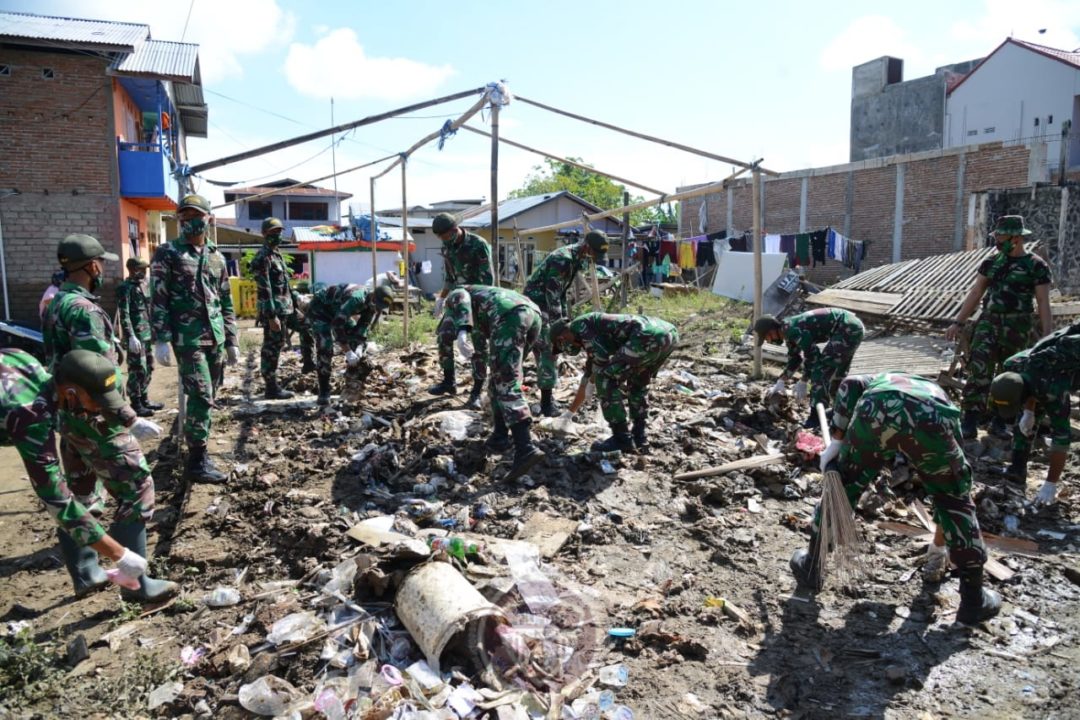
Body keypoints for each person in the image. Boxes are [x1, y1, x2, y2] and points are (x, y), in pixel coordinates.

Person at [794, 372, 1000, 625]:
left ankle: (812, 566)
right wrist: (939, 544)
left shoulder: (871, 382)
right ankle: (972, 601)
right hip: (931, 419)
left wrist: (837, 442)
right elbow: (952, 488)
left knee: (843, 486)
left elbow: (850, 384)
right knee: (955, 501)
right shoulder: (936, 394)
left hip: (876, 414)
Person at [1, 348, 174, 601]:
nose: (98, 410)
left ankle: (86, 575)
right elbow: (56, 500)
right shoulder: (29, 416)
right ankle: (134, 587)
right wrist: (120, 555)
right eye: (96, 402)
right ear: (70, 394)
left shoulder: (23, 361)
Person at [151, 193, 239, 483]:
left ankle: (200, 454)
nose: (190, 222)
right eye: (185, 217)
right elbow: (159, 297)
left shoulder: (216, 257)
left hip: (214, 338)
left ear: (208, 218)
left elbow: (225, 301)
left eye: (196, 216)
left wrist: (232, 340)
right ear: (179, 220)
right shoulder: (169, 253)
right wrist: (161, 338)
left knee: (210, 395)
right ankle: (196, 462)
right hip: (188, 340)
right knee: (201, 395)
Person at [946, 215, 1052, 439]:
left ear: (1016, 237)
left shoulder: (1036, 265)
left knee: (1009, 375)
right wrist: (958, 321)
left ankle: (999, 421)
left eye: (1001, 236)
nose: (997, 240)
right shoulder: (991, 262)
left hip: (1018, 326)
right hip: (989, 322)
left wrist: (1047, 335)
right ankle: (970, 421)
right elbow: (976, 292)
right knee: (979, 370)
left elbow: (1043, 301)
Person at [443, 285, 545, 481]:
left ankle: (525, 448)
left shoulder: (457, 295)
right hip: (533, 315)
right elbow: (482, 351)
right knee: (499, 378)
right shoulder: (484, 299)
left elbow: (461, 297)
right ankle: (500, 435)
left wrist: (462, 331)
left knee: (506, 382)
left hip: (510, 316)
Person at [549, 312, 678, 453]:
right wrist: (568, 414)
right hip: (667, 334)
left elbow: (600, 364)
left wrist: (595, 383)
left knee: (605, 379)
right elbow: (588, 375)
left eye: (561, 346)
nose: (566, 349)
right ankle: (639, 437)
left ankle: (621, 438)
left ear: (561, 338)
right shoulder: (589, 331)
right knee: (637, 382)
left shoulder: (579, 326)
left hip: (645, 336)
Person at [988, 324, 1080, 506]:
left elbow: (1061, 438)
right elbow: (1029, 386)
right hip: (1045, 375)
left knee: (1059, 431)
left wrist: (1050, 483)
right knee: (1024, 423)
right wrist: (1029, 412)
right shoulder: (1012, 365)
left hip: (1072, 363)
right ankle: (1017, 468)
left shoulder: (1051, 390)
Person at [524, 231, 609, 417]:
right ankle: (546, 404)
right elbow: (551, 294)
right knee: (549, 349)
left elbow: (561, 295)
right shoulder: (563, 259)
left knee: (537, 349)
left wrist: (565, 318)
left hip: (544, 305)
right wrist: (559, 327)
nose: (594, 258)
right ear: (586, 247)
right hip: (536, 306)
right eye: (594, 253)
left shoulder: (575, 259)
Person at [754, 308, 865, 427]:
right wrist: (781, 380)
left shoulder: (792, 329)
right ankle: (842, 411)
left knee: (820, 371)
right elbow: (795, 358)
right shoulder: (787, 331)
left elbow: (813, 356)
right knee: (837, 374)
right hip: (850, 327)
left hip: (847, 328)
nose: (769, 341)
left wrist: (804, 380)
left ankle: (816, 418)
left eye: (766, 338)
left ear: (771, 331)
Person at [429, 212, 493, 406]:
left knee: (479, 346)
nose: (443, 240)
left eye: (445, 236)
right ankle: (449, 382)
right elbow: (450, 277)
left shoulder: (478, 244)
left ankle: (476, 391)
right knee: (444, 335)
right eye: (440, 237)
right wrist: (441, 299)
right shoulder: (447, 247)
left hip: (479, 299)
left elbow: (488, 280)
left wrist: (476, 313)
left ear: (455, 230)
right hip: (458, 299)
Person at [303, 283, 394, 405]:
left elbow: (363, 325)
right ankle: (324, 391)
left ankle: (352, 385)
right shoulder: (356, 298)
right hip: (320, 309)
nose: (377, 308)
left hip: (338, 311)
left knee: (355, 342)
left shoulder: (373, 305)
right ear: (373, 295)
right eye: (376, 304)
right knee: (325, 346)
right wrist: (348, 351)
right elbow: (337, 325)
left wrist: (359, 346)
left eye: (379, 306)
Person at [250, 217, 297, 400]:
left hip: (285, 309)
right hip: (274, 312)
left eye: (279, 232)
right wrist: (271, 316)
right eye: (272, 232)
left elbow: (284, 284)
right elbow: (265, 289)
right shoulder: (263, 258)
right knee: (271, 348)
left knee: (281, 343)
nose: (277, 235)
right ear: (264, 234)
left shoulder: (277, 255)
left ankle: (308, 364)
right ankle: (271, 387)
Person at [116, 257, 161, 417]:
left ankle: (145, 399)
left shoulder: (145, 285)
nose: (145, 272)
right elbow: (124, 314)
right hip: (136, 336)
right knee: (137, 370)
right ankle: (136, 403)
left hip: (147, 334)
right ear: (134, 270)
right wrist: (130, 336)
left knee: (149, 366)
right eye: (142, 269)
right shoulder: (125, 288)